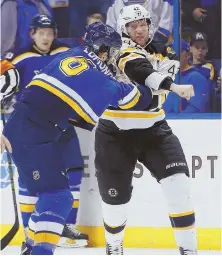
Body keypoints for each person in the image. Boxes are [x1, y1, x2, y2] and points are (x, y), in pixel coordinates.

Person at [2, 22, 155, 255]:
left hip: (28, 128)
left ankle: (31, 245)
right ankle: (38, 250)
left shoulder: (72, 54)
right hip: (34, 133)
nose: (113, 57)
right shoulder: (99, 77)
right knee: (58, 196)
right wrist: (157, 88)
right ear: (104, 50)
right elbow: (134, 99)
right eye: (112, 51)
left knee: (51, 193)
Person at [94, 5, 197, 255]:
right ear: (124, 29)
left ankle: (189, 250)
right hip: (115, 134)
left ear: (150, 25)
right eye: (133, 26)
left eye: (143, 24)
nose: (139, 30)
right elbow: (140, 71)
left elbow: (154, 94)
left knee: (179, 187)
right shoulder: (118, 50)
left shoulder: (165, 50)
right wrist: (172, 87)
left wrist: (160, 89)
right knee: (115, 202)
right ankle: (114, 245)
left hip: (155, 129)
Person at [1, 14, 89, 249]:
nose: (46, 37)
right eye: (42, 33)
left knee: (74, 172)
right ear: (32, 34)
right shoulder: (20, 59)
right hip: (33, 128)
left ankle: (65, 226)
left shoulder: (66, 55)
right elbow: (5, 83)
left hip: (63, 124)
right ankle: (31, 233)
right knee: (32, 182)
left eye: (50, 33)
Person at [164, 40, 209, 113]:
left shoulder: (197, 78)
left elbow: (195, 110)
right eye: (170, 52)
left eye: (178, 51)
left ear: (188, 55)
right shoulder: (165, 78)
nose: (172, 55)